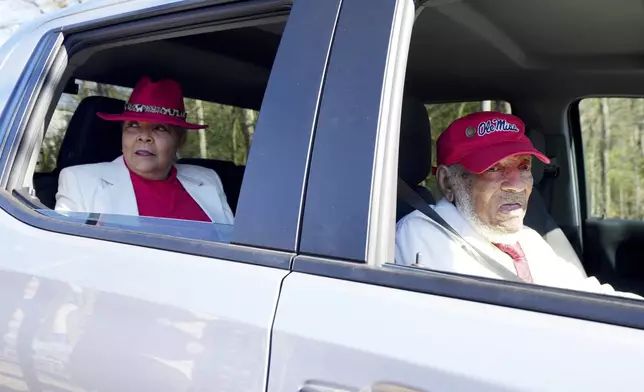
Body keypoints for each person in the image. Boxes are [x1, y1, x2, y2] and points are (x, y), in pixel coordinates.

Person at [395, 111, 640, 299]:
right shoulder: (421, 239)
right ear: (448, 182)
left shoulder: (528, 239)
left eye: (523, 166)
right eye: (493, 168)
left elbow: (585, 295)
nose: (516, 185)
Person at [54, 76, 234, 225]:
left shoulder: (208, 179)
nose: (144, 136)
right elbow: (64, 254)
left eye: (160, 128)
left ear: (180, 140)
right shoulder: (80, 182)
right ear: (123, 134)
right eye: (133, 125)